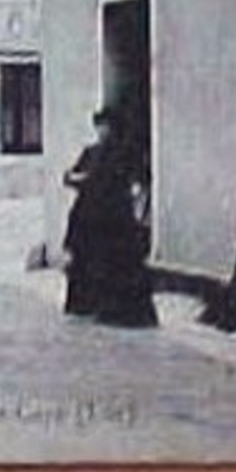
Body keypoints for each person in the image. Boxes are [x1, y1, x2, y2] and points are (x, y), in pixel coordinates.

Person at [62, 107, 157, 327]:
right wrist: (77, 178)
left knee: (112, 261)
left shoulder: (121, 153)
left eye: (106, 125)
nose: (102, 130)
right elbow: (72, 175)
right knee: (86, 260)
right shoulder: (91, 152)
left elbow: (126, 180)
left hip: (114, 216)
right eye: (99, 125)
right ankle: (86, 303)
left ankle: (113, 308)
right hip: (88, 214)